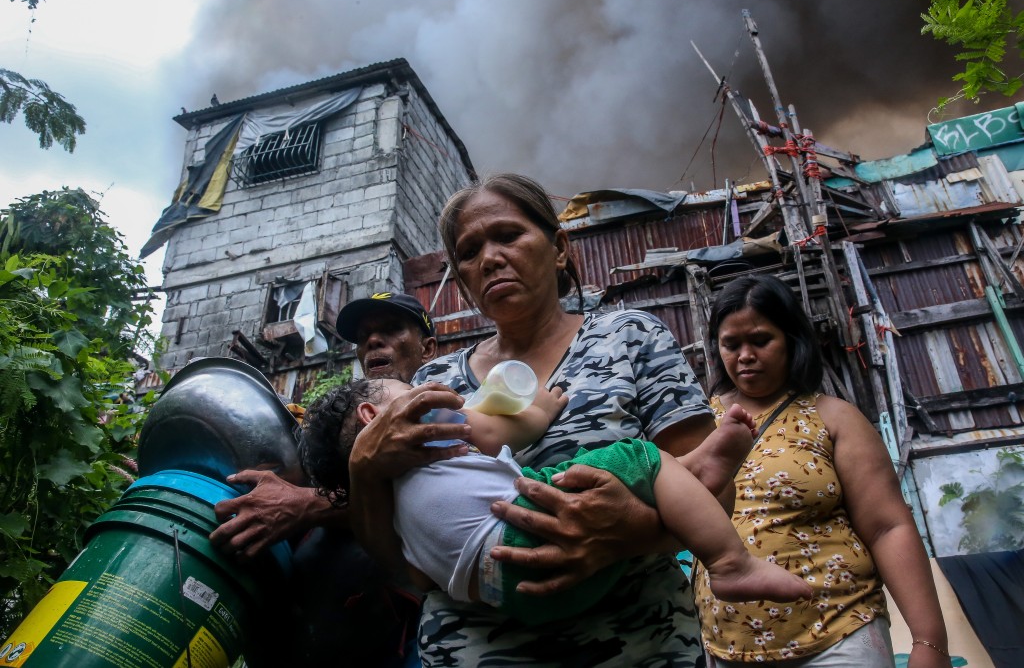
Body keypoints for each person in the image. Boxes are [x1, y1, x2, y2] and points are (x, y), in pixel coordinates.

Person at [347, 173, 752, 667]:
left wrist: (629, 531)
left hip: (639, 647)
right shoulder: (432, 385)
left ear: (559, 248)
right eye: (469, 251)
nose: (490, 258)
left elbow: (715, 489)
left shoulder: (628, 338)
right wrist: (362, 470)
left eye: (509, 235)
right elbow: (407, 562)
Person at [302, 377, 811, 625]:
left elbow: (409, 568)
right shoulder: (432, 426)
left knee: (603, 478)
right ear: (375, 415)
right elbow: (510, 425)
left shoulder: (389, 510)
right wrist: (543, 405)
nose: (421, 388)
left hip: (519, 598)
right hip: (523, 533)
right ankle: (730, 561)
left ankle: (691, 473)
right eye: (405, 387)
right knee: (636, 458)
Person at [693, 275, 952, 668]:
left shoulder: (833, 418)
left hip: (838, 633)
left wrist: (929, 642)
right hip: (726, 647)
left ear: (792, 339)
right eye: (731, 344)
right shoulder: (697, 423)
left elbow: (887, 527)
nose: (745, 355)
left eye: (761, 341)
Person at [207, 291, 440, 667]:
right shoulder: (340, 419)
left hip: (391, 631)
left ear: (427, 348)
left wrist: (308, 503)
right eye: (363, 336)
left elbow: (431, 500)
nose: (373, 341)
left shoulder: (448, 413)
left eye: (392, 329)